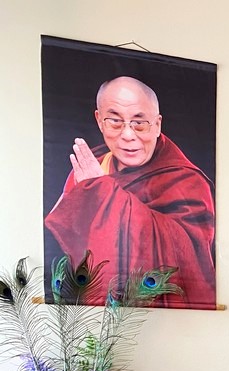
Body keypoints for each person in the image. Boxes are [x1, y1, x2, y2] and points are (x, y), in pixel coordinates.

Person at [44, 76, 216, 309]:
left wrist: (102, 193)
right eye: (115, 121)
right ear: (99, 121)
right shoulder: (90, 168)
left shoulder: (185, 182)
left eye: (140, 123)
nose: (128, 135)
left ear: (157, 125)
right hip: (91, 316)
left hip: (164, 321)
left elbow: (192, 260)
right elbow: (60, 245)